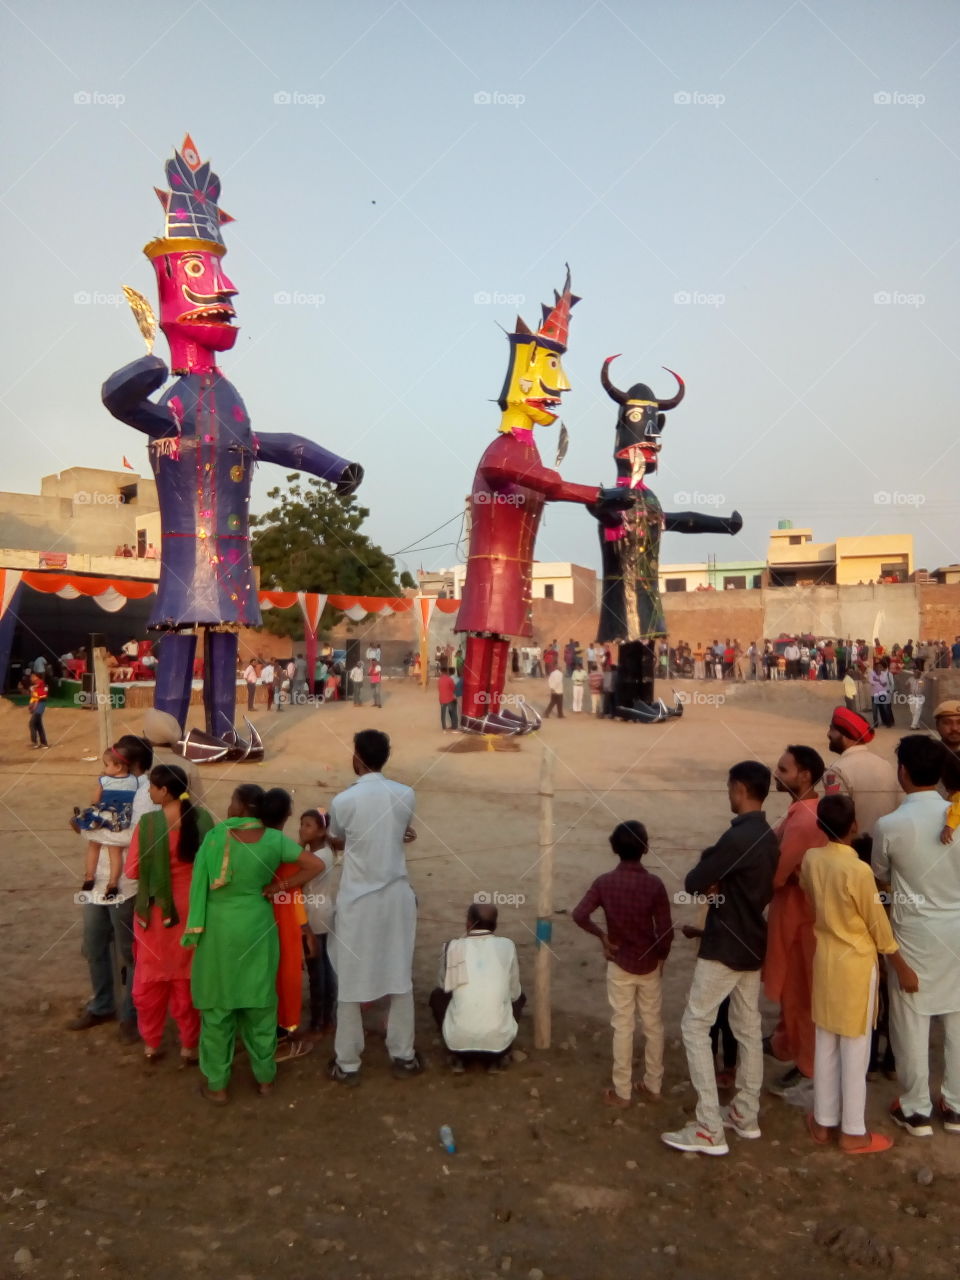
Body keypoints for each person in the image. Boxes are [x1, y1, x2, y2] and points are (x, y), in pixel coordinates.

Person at [661, 762, 779, 1156]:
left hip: (726, 941)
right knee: (746, 1027)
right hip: (751, 939)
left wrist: (714, 880)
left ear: (741, 788)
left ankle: (710, 1125)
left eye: (731, 787)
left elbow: (694, 881)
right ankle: (745, 1114)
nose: (729, 793)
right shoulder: (766, 833)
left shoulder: (741, 835)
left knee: (695, 1025)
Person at [182, 783, 318, 1103]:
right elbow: (316, 865)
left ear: (243, 807)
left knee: (218, 1009)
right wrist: (280, 885)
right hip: (257, 924)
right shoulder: (273, 840)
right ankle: (265, 1079)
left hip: (217, 930)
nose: (229, 807)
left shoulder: (216, 838)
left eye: (232, 801)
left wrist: (192, 931)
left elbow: (197, 886)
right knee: (260, 1004)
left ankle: (217, 1086)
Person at [801, 795, 918, 1153]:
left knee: (827, 1041)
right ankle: (853, 1131)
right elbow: (877, 924)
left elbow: (808, 893)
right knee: (855, 1047)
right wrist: (901, 967)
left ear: (820, 827)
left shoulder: (811, 859)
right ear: (853, 827)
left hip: (826, 960)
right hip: (855, 964)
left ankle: (823, 1122)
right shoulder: (858, 871)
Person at [874, 735, 960, 1138]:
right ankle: (956, 1105)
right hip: (955, 927)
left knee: (911, 1018)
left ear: (903, 772)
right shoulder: (956, 816)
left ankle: (916, 1108)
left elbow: (882, 877)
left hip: (913, 929)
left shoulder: (889, 825)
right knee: (957, 1017)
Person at [326, 730, 421, 1084]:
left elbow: (339, 837)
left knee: (350, 981)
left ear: (357, 758)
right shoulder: (405, 794)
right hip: (396, 897)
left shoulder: (343, 801)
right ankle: (404, 1054)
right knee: (399, 976)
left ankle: (348, 1062)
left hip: (358, 901)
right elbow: (397, 831)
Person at [573, 821, 672, 1107]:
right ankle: (653, 1085)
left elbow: (580, 915)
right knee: (653, 1024)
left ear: (614, 849)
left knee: (623, 1026)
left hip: (619, 961)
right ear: (646, 848)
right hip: (649, 962)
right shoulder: (654, 884)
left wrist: (603, 936)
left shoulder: (604, 882)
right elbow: (665, 931)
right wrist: (662, 957)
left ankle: (622, 1091)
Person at [124, 764, 215, 1062]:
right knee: (187, 978)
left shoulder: (149, 824)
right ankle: (189, 1045)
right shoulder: (203, 819)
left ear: (164, 791)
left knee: (151, 979)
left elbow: (133, 870)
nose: (148, 791)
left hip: (158, 912)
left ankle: (152, 1043)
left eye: (152, 787)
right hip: (194, 909)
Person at [66, 739, 154, 1042]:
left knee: (130, 954)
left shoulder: (145, 793)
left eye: (113, 762)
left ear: (129, 765)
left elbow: (131, 837)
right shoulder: (118, 785)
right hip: (98, 880)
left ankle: (131, 1015)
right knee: (94, 946)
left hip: (126, 885)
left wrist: (88, 829)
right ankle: (103, 1004)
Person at [763, 745, 828, 1103]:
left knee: (801, 995)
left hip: (798, 921)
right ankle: (789, 1046)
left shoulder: (803, 820)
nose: (777, 774)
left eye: (784, 769)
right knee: (795, 993)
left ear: (804, 776)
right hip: (799, 917)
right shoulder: (803, 812)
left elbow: (775, 875)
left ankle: (808, 1068)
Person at [261, 788, 323, 1059]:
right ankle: (282, 1039)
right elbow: (295, 892)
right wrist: (305, 928)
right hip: (284, 923)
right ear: (288, 815)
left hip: (254, 920)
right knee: (285, 978)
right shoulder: (285, 849)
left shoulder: (248, 840)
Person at [430, 902, 524, 1074]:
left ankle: (457, 1056)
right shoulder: (507, 946)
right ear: (495, 925)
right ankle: (498, 1058)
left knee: (437, 996)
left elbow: (443, 986)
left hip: (457, 1046)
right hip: (498, 1047)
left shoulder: (451, 947)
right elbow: (514, 993)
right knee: (519, 997)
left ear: (468, 923)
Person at [822, 707, 900, 847]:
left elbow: (836, 822)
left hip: (857, 851)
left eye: (832, 729)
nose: (828, 734)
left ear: (845, 735)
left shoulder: (837, 771)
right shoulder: (885, 764)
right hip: (888, 847)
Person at [76, 746, 139, 900]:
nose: (105, 768)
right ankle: (113, 884)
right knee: (115, 852)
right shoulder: (134, 781)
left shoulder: (104, 780)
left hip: (103, 819)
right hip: (121, 821)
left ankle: (89, 877)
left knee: (93, 846)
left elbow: (94, 800)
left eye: (107, 764)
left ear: (117, 766)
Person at [299, 809, 338, 1034]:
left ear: (322, 831)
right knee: (325, 964)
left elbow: (295, 873)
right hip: (324, 910)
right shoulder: (326, 851)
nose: (302, 829)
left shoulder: (315, 858)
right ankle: (327, 1016)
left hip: (312, 914)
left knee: (317, 969)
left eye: (308, 826)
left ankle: (318, 1019)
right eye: (302, 824)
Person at [869, 659, 895, 729]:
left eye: (880, 667)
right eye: (877, 667)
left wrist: (877, 680)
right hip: (874, 694)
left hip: (884, 694)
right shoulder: (871, 673)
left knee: (886, 709)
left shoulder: (885, 674)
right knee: (874, 710)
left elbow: (885, 683)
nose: (879, 668)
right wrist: (879, 682)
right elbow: (871, 682)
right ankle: (876, 723)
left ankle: (889, 722)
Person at [27, 671, 49, 749]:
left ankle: (34, 743)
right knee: (38, 725)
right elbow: (34, 697)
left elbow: (40, 698)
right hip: (38, 706)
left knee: (32, 723)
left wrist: (34, 707)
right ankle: (44, 743)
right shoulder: (35, 686)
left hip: (40, 706)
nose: (31, 678)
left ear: (37, 677)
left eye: (33, 676)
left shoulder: (41, 684)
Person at [438, 666, 458, 731]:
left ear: (441, 672)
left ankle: (444, 727)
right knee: (452, 712)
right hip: (450, 699)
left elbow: (439, 689)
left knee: (443, 714)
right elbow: (453, 688)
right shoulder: (449, 679)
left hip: (442, 699)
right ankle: (454, 727)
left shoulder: (439, 680)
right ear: (446, 672)